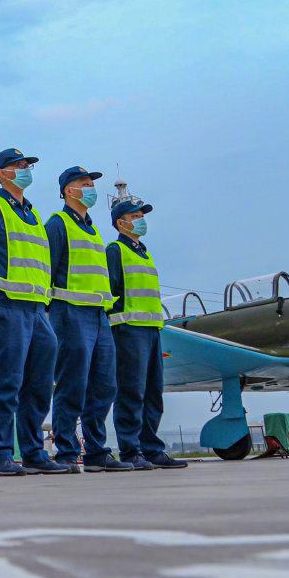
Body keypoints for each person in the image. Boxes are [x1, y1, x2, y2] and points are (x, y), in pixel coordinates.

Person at [0, 149, 68, 475]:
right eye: (19, 165)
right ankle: (0, 454)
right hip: (7, 306)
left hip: (38, 312)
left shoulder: (34, 216)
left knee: (39, 385)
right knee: (6, 382)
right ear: (2, 172)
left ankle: (34, 452)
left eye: (28, 165)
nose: (26, 169)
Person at [44, 167, 132, 472]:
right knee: (72, 383)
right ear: (69, 191)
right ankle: (67, 451)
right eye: (85, 184)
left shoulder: (93, 231)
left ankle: (96, 451)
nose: (91, 188)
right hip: (70, 312)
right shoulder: (58, 224)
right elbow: (47, 269)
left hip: (98, 315)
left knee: (104, 385)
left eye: (92, 184)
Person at [107, 196, 187, 470]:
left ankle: (151, 449)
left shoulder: (145, 253)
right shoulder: (115, 251)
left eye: (142, 216)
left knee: (153, 392)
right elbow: (110, 291)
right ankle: (131, 451)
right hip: (128, 330)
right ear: (121, 223)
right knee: (131, 392)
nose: (141, 220)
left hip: (152, 331)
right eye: (135, 216)